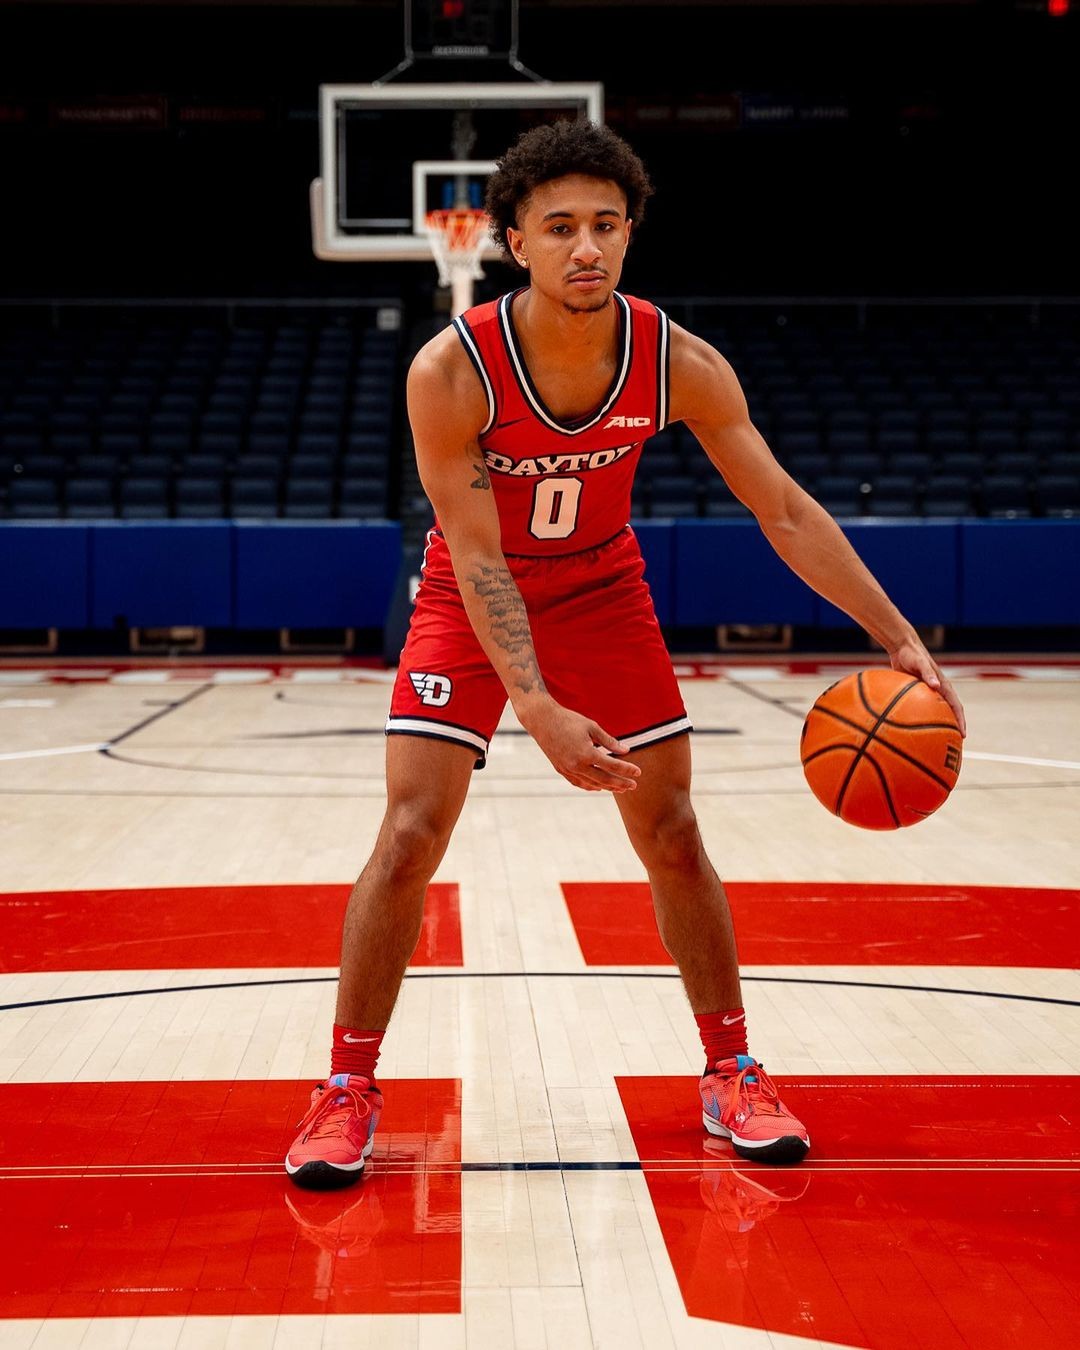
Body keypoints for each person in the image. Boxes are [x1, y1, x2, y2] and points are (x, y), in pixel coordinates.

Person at [285, 119, 967, 1188]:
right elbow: (476, 554)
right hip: (474, 594)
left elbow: (784, 511)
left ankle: (732, 1070)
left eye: (606, 224)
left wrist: (897, 634)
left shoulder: (678, 362)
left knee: (675, 829)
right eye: (560, 227)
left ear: (631, 233)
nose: (586, 246)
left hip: (601, 586)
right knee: (412, 831)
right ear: (514, 241)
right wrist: (537, 707)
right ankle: (347, 1087)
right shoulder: (450, 370)